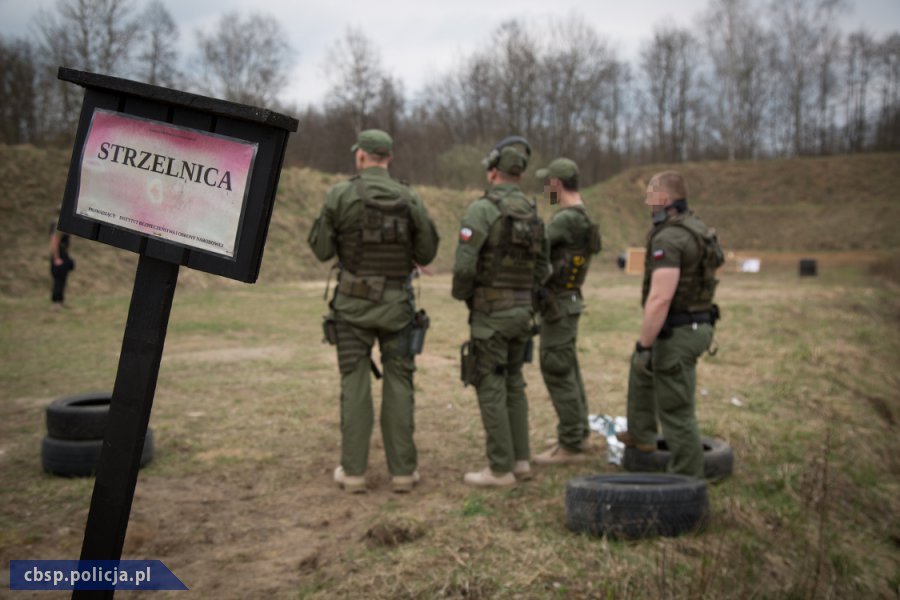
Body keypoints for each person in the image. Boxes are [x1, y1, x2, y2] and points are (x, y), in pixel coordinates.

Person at [308, 129, 439, 494]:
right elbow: (427, 252)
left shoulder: (340, 194)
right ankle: (403, 473)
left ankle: (353, 473)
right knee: (399, 381)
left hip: (351, 308)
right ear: (389, 159)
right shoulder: (409, 196)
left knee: (354, 382)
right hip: (397, 307)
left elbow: (320, 249)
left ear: (361, 157)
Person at [452, 136, 550, 487]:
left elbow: (464, 267)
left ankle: (499, 469)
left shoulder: (482, 210)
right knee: (514, 382)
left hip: (491, 314)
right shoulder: (534, 213)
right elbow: (543, 269)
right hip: (523, 313)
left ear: (493, 172)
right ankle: (520, 460)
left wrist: (465, 296)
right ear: (519, 175)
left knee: (490, 382)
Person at [618, 171, 724, 478]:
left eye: (650, 194)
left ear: (664, 199)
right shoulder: (697, 228)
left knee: (676, 411)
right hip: (697, 324)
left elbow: (660, 299)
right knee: (642, 369)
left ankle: (688, 478)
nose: (646, 201)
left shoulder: (670, 237)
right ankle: (643, 435)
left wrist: (645, 343)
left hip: (678, 328)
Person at [531, 158, 602, 466]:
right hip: (569, 301)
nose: (546, 189)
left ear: (558, 185)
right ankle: (579, 432)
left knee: (556, 368)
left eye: (548, 184)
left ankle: (570, 443)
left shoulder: (564, 220)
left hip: (557, 304)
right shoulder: (582, 217)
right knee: (568, 368)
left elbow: (537, 250)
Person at [49, 216, 75, 308]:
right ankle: (56, 303)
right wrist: (56, 258)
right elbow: (54, 241)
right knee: (59, 280)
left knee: (62, 279)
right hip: (59, 255)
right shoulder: (59, 224)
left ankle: (60, 301)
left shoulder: (62, 223)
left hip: (62, 254)